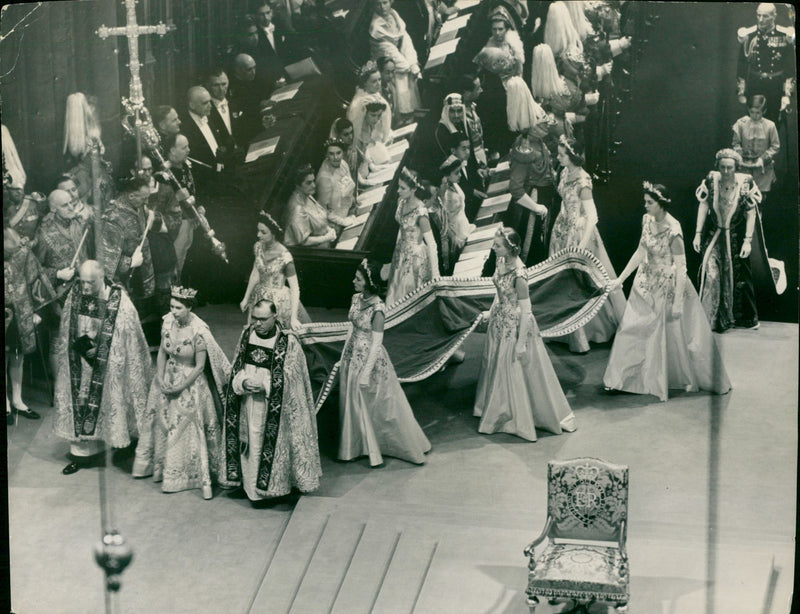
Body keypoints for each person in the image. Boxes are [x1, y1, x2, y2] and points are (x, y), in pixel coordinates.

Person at [604, 182, 732, 402]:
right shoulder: (647, 220)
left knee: (663, 336)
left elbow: (681, 267)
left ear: (661, 204)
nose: (645, 206)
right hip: (644, 283)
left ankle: (654, 380)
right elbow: (640, 251)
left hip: (667, 286)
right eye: (645, 201)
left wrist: (678, 303)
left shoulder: (674, 229)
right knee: (630, 329)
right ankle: (619, 379)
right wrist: (620, 279)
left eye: (649, 202)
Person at [473, 227, 577, 441]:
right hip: (499, 322)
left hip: (515, 326)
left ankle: (514, 417)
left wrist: (521, 343)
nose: (493, 247)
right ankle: (495, 408)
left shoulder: (520, 274)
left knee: (514, 369)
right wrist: (491, 312)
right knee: (496, 365)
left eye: (498, 245)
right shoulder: (501, 262)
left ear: (511, 249)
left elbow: (526, 310)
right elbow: (499, 293)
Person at [54, 260, 153, 474]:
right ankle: (82, 455)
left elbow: (128, 336)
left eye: (91, 282)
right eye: (82, 281)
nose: (86, 287)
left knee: (113, 399)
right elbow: (66, 325)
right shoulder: (75, 294)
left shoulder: (120, 300)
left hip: (109, 365)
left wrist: (100, 347)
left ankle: (123, 442)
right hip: (81, 363)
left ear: (102, 278)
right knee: (81, 400)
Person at [132, 287, 230, 499]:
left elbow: (200, 367)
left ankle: (186, 475)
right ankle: (158, 468)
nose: (174, 311)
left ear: (190, 307)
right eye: (171, 307)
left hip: (190, 384)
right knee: (161, 423)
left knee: (182, 429)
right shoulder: (168, 321)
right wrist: (159, 377)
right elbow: (161, 352)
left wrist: (179, 386)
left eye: (178, 308)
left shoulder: (199, 331)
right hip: (167, 377)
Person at [220, 299, 322, 502]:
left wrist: (266, 385)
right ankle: (251, 489)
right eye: (255, 318)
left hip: (274, 409)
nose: (257, 323)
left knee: (263, 444)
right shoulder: (247, 334)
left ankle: (271, 491)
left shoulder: (288, 341)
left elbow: (293, 377)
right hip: (248, 403)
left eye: (263, 319)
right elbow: (236, 366)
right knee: (250, 442)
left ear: (274, 317)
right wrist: (243, 381)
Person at [339, 259, 431, 466]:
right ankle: (355, 446)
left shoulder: (378, 309)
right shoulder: (356, 298)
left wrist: (365, 373)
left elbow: (376, 344)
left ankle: (383, 446)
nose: (354, 281)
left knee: (379, 407)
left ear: (369, 283)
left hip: (369, 362)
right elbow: (351, 328)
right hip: (351, 357)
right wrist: (343, 355)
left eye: (358, 279)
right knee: (353, 403)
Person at [549, 135, 625, 353]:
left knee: (581, 281)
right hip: (562, 228)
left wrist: (581, 244)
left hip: (580, 232)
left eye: (562, 154)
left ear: (572, 156)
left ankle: (585, 335)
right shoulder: (564, 172)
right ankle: (564, 331)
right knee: (562, 280)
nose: (558, 157)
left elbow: (593, 216)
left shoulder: (583, 181)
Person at [693, 148, 762, 332]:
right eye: (722, 167)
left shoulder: (745, 182)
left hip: (735, 235)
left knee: (739, 274)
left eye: (729, 168)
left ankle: (740, 318)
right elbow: (704, 204)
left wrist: (748, 240)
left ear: (736, 168)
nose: (725, 171)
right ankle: (710, 318)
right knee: (711, 272)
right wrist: (698, 233)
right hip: (715, 234)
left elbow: (750, 212)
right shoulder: (711, 179)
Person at [4, 227, 55, 422]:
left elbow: (36, 278)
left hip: (21, 311)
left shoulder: (23, 252)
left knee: (18, 355)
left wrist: (37, 310)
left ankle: (17, 400)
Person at [473, 6, 548, 135]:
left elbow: (520, 71)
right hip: (497, 98)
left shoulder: (514, 45)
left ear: (506, 28)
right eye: (494, 29)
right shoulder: (485, 51)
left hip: (517, 91)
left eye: (500, 29)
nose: (497, 33)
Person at [240, 211, 310, 329]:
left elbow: (295, 288)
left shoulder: (285, 256)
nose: (258, 235)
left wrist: (294, 318)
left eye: (263, 232)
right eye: (258, 230)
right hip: (258, 297)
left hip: (278, 302)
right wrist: (246, 298)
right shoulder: (258, 247)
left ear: (274, 234)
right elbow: (255, 274)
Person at [97, 175, 156, 310]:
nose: (147, 202)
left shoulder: (138, 206)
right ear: (131, 197)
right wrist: (129, 263)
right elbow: (107, 257)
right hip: (124, 276)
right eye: (144, 198)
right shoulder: (113, 218)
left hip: (139, 272)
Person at [386, 169, 439, 306]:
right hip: (400, 255)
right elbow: (402, 228)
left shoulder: (420, 212)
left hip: (415, 258)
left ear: (414, 189)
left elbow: (432, 245)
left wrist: (436, 276)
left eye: (402, 188)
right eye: (399, 186)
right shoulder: (401, 202)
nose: (398, 190)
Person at [506, 120, 555, 265]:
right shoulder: (524, 148)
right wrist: (535, 207)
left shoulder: (538, 140)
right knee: (528, 247)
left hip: (542, 200)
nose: (546, 125)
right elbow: (515, 188)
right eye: (541, 124)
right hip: (532, 205)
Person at [736, 3, 795, 121]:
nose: (761, 19)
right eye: (758, 15)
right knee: (753, 124)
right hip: (755, 85)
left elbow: (790, 66)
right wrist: (741, 91)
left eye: (765, 16)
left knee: (773, 124)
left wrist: (787, 93)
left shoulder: (784, 35)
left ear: (774, 16)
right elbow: (741, 64)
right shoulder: (749, 35)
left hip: (776, 87)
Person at [369, 0, 422, 124]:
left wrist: (412, 62)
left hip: (399, 60)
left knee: (408, 68)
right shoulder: (375, 26)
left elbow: (406, 40)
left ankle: (410, 113)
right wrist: (408, 65)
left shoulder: (394, 15)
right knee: (400, 73)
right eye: (378, 4)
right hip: (388, 64)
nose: (382, 7)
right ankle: (401, 116)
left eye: (385, 2)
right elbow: (389, 52)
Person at [732, 94, 780, 203]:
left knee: (759, 199)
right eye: (752, 112)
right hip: (744, 167)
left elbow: (775, 146)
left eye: (758, 113)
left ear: (764, 111)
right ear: (748, 110)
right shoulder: (741, 124)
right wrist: (740, 156)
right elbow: (735, 143)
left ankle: (759, 217)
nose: (755, 116)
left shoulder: (770, 125)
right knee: (743, 198)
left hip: (763, 169)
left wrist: (763, 158)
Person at [283, 164, 338, 247]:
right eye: (308, 183)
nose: (314, 186)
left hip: (324, 243)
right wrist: (327, 237)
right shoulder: (297, 209)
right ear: (298, 185)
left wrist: (329, 230)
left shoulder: (307, 195)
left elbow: (320, 216)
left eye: (313, 181)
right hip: (311, 252)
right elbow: (304, 241)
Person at [437, 156, 475, 275]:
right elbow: (444, 217)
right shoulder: (445, 194)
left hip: (464, 224)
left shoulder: (454, 185)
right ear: (446, 175)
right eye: (456, 173)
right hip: (456, 232)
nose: (460, 175)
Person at [347, 61, 392, 154]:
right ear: (365, 83)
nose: (378, 84)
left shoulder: (375, 94)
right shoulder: (359, 102)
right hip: (367, 146)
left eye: (379, 79)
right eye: (374, 81)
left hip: (381, 140)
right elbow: (355, 130)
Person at [316, 138, 357, 235]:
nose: (336, 157)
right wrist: (343, 222)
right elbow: (322, 210)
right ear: (326, 155)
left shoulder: (343, 164)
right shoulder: (324, 178)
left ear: (343, 153)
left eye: (338, 153)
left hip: (350, 212)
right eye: (331, 154)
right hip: (336, 225)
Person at [433, 93, 468, 160]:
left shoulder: (463, 125)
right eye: (452, 111)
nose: (456, 115)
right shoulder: (441, 131)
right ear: (446, 112)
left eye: (459, 111)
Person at [329, 117, 359, 182]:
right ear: (338, 136)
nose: (351, 137)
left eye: (351, 132)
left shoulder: (352, 148)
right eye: (346, 134)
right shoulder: (335, 155)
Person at [377, 56, 400, 127]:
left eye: (393, 72)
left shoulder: (392, 86)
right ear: (379, 72)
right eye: (387, 73)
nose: (391, 76)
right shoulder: (376, 92)